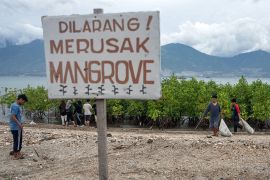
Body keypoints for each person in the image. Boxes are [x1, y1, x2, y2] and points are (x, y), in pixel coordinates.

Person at [9, 94, 28, 160]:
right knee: (18, 140)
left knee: (16, 140)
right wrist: (19, 124)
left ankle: (15, 151)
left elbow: (16, 115)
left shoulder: (13, 105)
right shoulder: (16, 106)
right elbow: (13, 116)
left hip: (14, 126)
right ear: (20, 99)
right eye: (23, 101)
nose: (23, 103)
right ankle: (17, 154)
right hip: (16, 127)